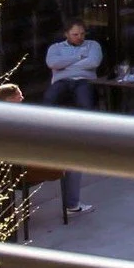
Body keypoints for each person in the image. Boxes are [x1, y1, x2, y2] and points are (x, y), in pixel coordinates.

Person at [40, 19, 99, 217]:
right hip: (63, 81)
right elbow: (52, 63)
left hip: (83, 80)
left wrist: (67, 65)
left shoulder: (93, 46)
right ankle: (46, 134)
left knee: (85, 104)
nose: (80, 37)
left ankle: (88, 139)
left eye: (82, 34)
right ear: (67, 34)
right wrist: (78, 59)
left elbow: (93, 63)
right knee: (49, 99)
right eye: (75, 34)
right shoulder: (55, 48)